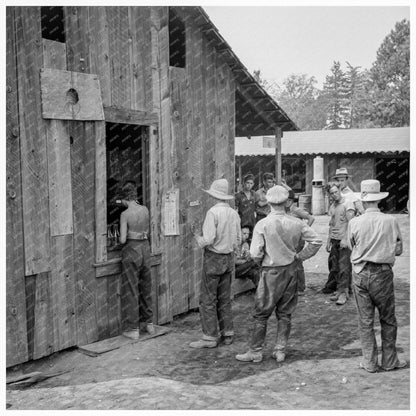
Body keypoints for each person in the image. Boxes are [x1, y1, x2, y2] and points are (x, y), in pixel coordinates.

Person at [235, 185, 322, 363]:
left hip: (270, 272)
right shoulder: (296, 223)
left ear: (268, 202)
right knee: (285, 313)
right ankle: (280, 350)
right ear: (286, 202)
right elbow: (317, 241)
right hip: (291, 271)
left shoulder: (263, 224)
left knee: (261, 313)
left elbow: (255, 253)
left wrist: (260, 263)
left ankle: (256, 351)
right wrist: (299, 257)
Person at [348, 179, 406, 372]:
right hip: (382, 273)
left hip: (360, 272)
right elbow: (398, 250)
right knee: (388, 318)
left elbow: (351, 246)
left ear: (363, 200)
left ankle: (370, 362)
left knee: (365, 320)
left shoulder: (354, 222)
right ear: (379, 199)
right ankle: (389, 361)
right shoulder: (391, 221)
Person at [190, 179, 241, 349]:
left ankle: (209, 337)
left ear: (213, 195)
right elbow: (238, 239)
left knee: (207, 299)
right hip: (228, 257)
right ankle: (228, 333)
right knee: (224, 298)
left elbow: (209, 239)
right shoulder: (233, 213)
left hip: (213, 257)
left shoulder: (212, 213)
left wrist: (197, 237)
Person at [119, 181, 154, 340]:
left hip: (131, 250)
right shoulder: (145, 209)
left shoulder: (125, 214)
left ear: (124, 199)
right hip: (145, 248)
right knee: (146, 286)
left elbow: (122, 239)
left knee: (131, 289)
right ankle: (149, 323)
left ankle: (132, 329)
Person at [322, 183, 356, 304]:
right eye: (332, 193)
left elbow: (351, 223)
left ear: (340, 190)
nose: (334, 194)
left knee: (344, 267)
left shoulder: (348, 203)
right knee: (334, 265)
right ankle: (340, 289)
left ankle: (344, 293)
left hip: (344, 240)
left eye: (336, 192)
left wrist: (346, 239)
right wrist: (328, 240)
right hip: (335, 239)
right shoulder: (332, 206)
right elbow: (331, 224)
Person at [286, 189, 315, 295]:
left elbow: (311, 218)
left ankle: (300, 287)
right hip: (291, 240)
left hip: (298, 241)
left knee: (297, 262)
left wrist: (304, 231)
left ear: (289, 201)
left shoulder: (296, 210)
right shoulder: (286, 211)